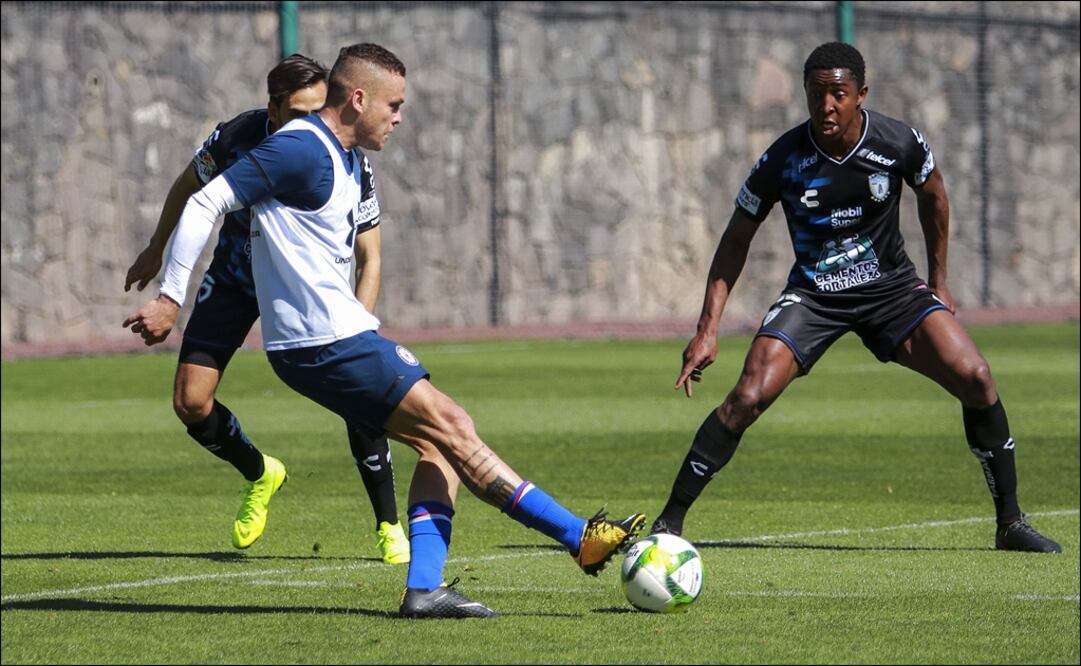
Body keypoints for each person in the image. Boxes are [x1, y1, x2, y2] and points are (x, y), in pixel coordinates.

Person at [125, 42, 646, 617]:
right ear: (357, 98)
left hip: (336, 337)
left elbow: (362, 253)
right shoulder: (299, 148)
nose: (399, 118)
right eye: (393, 105)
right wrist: (172, 295)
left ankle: (425, 587)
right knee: (451, 426)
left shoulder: (348, 158)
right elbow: (205, 202)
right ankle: (580, 538)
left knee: (439, 445)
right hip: (323, 342)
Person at [650, 42, 1061, 554]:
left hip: (891, 291)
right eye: (817, 94)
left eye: (838, 94)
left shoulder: (896, 141)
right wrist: (707, 329)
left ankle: (1010, 524)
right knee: (747, 396)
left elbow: (934, 196)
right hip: (814, 295)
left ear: (860, 95)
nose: (826, 106)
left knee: (976, 377)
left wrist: (940, 281)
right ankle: (669, 522)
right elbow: (736, 238)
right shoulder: (783, 158)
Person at [122, 53, 411, 564]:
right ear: (272, 110)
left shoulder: (347, 155)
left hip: (303, 291)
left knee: (359, 394)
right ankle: (261, 473)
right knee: (191, 402)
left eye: (321, 109)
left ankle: (389, 523)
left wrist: (360, 330)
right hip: (236, 279)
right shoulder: (239, 137)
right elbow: (192, 189)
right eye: (300, 114)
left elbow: (371, 255)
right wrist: (156, 249)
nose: (313, 124)